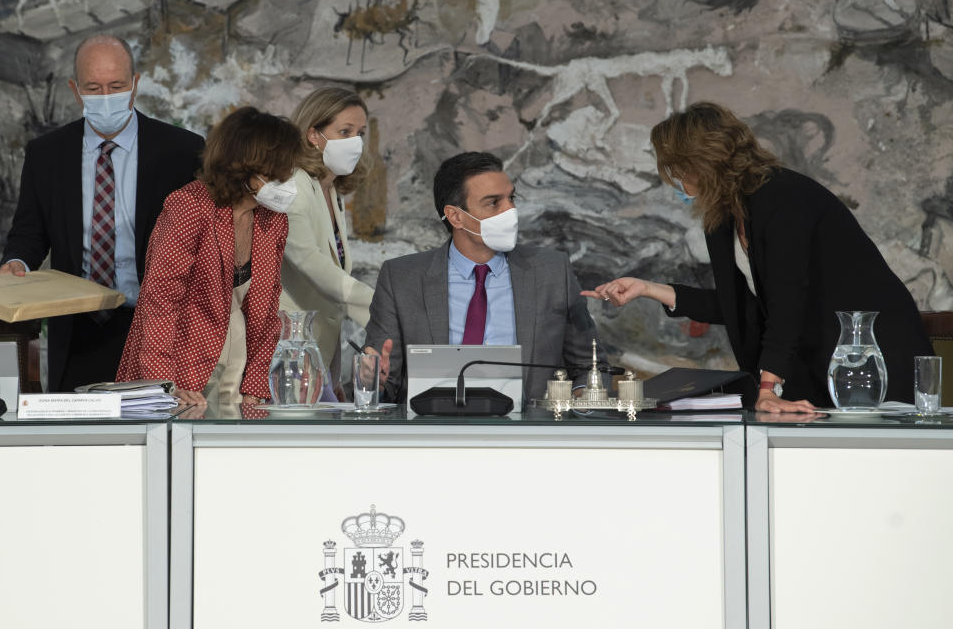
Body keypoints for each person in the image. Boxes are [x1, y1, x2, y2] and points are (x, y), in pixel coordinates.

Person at [583, 102, 933, 412]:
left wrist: (767, 388)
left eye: (678, 170)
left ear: (702, 163)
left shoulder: (785, 199)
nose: (676, 181)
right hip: (818, 365)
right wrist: (647, 288)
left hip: (869, 357)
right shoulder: (724, 219)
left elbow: (787, 301)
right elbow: (741, 308)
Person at [0, 34, 204, 391]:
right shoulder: (47, 153)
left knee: (153, 437)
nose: (106, 97)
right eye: (93, 87)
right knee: (81, 442)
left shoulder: (183, 151)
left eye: (116, 85)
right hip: (76, 327)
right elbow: (29, 233)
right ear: (75, 90)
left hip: (157, 326)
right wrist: (18, 262)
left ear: (135, 84)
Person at [364, 151, 597, 402]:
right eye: (494, 202)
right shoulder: (401, 279)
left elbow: (591, 366)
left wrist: (582, 399)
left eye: (512, 198)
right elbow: (385, 383)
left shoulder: (552, 271)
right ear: (456, 216)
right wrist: (373, 381)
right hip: (433, 433)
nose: (511, 210)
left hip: (530, 435)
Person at [116, 107, 302, 406]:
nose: (286, 179)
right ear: (245, 167)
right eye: (276, 171)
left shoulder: (273, 219)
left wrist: (256, 385)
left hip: (239, 364)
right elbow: (160, 301)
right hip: (179, 364)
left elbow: (268, 310)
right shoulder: (188, 207)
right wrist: (164, 386)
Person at [280, 87, 375, 401]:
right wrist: (381, 308)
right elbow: (311, 262)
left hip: (320, 352)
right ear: (313, 135)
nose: (356, 142)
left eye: (360, 133)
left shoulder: (330, 189)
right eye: (344, 131)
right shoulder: (294, 185)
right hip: (286, 351)